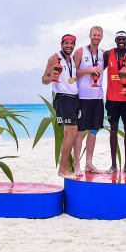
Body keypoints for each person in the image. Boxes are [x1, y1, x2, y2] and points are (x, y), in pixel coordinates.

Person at [41, 34, 79, 177]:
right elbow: (44, 79)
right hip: (63, 98)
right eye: (66, 43)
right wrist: (51, 78)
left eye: (71, 43)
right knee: (70, 131)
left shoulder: (72, 59)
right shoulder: (54, 58)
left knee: (72, 133)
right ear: (61, 44)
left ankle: (64, 168)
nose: (69, 46)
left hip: (74, 98)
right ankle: (63, 170)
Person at [102, 31, 126, 173]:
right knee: (113, 130)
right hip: (112, 99)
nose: (121, 41)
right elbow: (99, 70)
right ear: (116, 40)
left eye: (124, 39)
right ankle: (113, 165)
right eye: (119, 39)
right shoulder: (108, 54)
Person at [73, 26, 105, 173]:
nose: (96, 37)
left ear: (101, 37)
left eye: (99, 35)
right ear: (89, 36)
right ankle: (77, 164)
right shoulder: (80, 51)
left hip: (97, 98)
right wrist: (89, 70)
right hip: (82, 98)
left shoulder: (103, 54)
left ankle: (89, 163)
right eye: (94, 35)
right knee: (80, 131)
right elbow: (73, 72)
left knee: (93, 131)